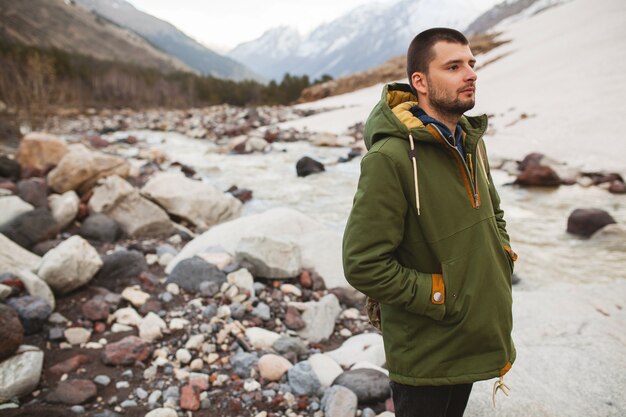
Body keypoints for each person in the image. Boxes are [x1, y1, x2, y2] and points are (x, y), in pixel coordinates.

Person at [342, 28, 517, 417]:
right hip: (427, 350)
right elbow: (363, 263)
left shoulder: (471, 141)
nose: (470, 73)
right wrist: (442, 294)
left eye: (471, 64)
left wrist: (501, 257)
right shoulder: (389, 158)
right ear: (419, 81)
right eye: (453, 66)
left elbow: (494, 214)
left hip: (472, 334)